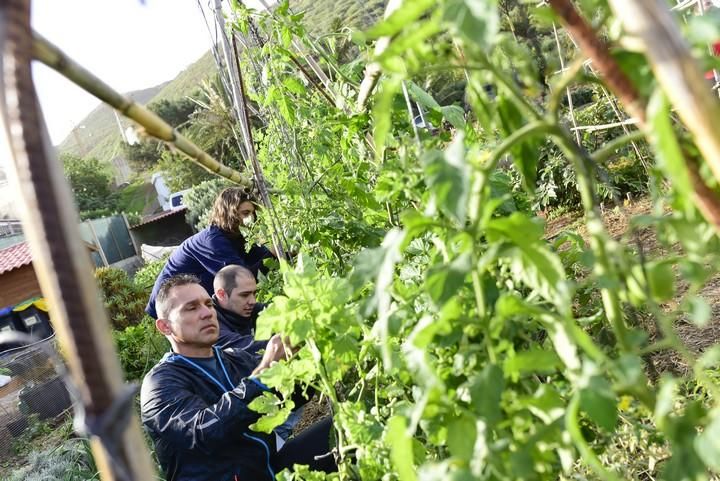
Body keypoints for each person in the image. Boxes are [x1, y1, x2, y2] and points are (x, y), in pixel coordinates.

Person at [140, 274, 335, 481]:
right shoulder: (160, 384)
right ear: (164, 326)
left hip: (266, 469)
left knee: (344, 432)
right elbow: (205, 432)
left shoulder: (234, 359)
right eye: (192, 308)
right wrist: (264, 372)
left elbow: (292, 400)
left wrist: (306, 358)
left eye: (208, 304)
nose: (207, 313)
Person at [145, 187, 276, 319]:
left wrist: (281, 253)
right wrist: (273, 256)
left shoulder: (238, 236)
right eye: (245, 213)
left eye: (253, 213)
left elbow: (262, 256)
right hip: (169, 302)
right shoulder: (214, 240)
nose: (251, 219)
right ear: (229, 213)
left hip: (194, 298)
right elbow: (241, 280)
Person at [213, 264, 266, 351]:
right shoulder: (211, 326)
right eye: (244, 295)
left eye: (254, 294)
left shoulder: (245, 308)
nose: (253, 301)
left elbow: (276, 310)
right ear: (221, 294)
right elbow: (249, 347)